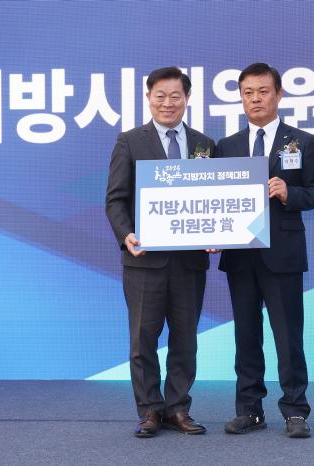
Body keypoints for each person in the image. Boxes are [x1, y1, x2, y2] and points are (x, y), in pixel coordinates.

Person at [216, 63, 314, 438]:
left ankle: (295, 411)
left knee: (288, 337)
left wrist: (288, 192)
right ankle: (249, 410)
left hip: (283, 254)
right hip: (240, 256)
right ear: (240, 97)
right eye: (248, 93)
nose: (255, 99)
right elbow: (215, 199)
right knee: (246, 337)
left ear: (278, 94)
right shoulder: (226, 147)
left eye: (263, 91)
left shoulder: (302, 141)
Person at [105, 66, 215, 438]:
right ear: (149, 97)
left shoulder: (204, 144)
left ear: (187, 98)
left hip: (189, 261)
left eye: (175, 96)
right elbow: (115, 199)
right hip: (144, 260)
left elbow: (213, 200)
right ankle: (150, 409)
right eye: (160, 96)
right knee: (143, 340)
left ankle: (178, 408)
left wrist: (217, 232)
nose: (168, 103)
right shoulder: (129, 141)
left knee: (186, 339)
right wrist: (127, 234)